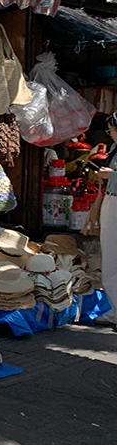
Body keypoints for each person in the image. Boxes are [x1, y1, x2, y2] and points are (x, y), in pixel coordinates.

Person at [96, 112, 117, 327]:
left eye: (111, 130)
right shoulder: (114, 149)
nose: (110, 134)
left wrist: (112, 176)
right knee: (111, 256)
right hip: (112, 201)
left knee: (112, 256)